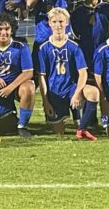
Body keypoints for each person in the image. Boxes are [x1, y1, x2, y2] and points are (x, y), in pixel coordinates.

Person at [37, 8, 100, 140]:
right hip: (54, 92)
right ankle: (71, 118)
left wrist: (77, 93)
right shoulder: (43, 48)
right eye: (54, 21)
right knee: (59, 133)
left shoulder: (74, 46)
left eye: (61, 21)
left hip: (72, 89)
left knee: (93, 92)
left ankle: (81, 127)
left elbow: (83, 73)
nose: (58, 25)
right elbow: (41, 77)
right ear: (49, 23)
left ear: (67, 23)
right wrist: (46, 101)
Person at [70, 0, 109, 128]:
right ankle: (89, 118)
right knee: (88, 83)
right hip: (86, 51)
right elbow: (76, 33)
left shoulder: (107, 8)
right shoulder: (78, 12)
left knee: (106, 82)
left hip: (103, 51)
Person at [26, 0, 74, 79]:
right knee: (38, 75)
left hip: (62, 40)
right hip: (42, 38)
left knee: (63, 74)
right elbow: (28, 4)